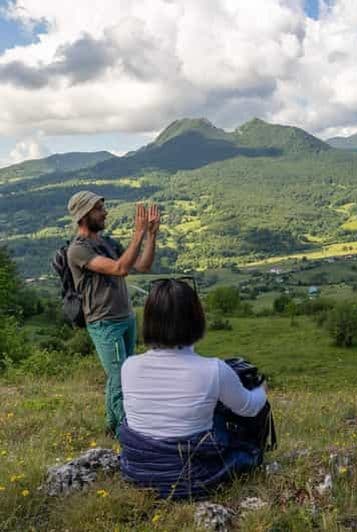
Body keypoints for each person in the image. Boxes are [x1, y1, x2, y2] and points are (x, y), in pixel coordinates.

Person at [119, 279, 269, 499]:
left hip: (137, 472)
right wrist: (262, 389)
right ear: (195, 319)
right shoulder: (214, 370)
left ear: (150, 320)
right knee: (249, 454)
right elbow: (249, 407)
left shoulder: (129, 366)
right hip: (190, 479)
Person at [66, 191, 159, 435]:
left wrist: (151, 235)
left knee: (119, 376)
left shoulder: (107, 243)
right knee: (122, 378)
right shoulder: (78, 249)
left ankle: (111, 426)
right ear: (84, 215)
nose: (105, 212)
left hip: (125, 317)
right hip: (105, 323)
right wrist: (138, 232)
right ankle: (125, 434)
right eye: (98, 208)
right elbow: (118, 268)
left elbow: (142, 265)